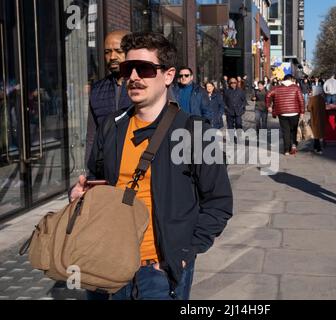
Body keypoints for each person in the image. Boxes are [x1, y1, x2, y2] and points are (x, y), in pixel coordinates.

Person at [71, 32, 233, 300]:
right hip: (109, 262)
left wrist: (184, 252)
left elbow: (219, 201)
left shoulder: (194, 131)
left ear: (168, 76)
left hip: (160, 269)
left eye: (144, 69)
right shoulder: (111, 126)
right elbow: (99, 181)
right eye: (128, 68)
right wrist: (81, 196)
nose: (133, 77)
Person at [86, 30, 133, 166]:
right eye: (107, 52)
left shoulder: (144, 84)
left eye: (118, 51)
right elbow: (92, 136)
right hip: (108, 168)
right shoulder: (96, 90)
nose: (112, 56)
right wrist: (89, 172)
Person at [266, 74, 305, 156]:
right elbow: (301, 100)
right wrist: (302, 112)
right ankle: (293, 146)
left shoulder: (276, 88)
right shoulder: (296, 87)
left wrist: (268, 106)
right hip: (294, 112)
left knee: (285, 131)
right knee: (293, 130)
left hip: (282, 113)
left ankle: (286, 150)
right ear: (291, 79)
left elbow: (268, 95)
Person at [307, 85, 326, 154]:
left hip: (314, 118)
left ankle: (319, 149)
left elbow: (308, 109)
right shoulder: (322, 99)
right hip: (322, 118)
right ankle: (316, 147)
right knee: (318, 133)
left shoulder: (312, 99)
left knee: (316, 134)